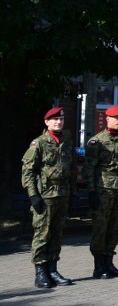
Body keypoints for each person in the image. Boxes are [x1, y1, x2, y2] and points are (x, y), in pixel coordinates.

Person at [22, 106, 76, 288]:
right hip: (45, 197)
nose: (58, 122)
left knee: (57, 234)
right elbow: (28, 172)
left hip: (62, 194)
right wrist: (33, 196)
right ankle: (40, 272)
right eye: (54, 119)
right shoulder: (39, 143)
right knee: (42, 234)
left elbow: (72, 169)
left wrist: (73, 191)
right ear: (47, 122)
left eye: (61, 119)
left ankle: (53, 269)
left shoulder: (67, 142)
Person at [84, 105, 118, 279]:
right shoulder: (96, 141)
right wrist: (91, 191)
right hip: (103, 189)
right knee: (101, 227)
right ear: (107, 119)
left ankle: (109, 262)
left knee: (116, 226)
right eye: (116, 118)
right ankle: (99, 266)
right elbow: (89, 168)